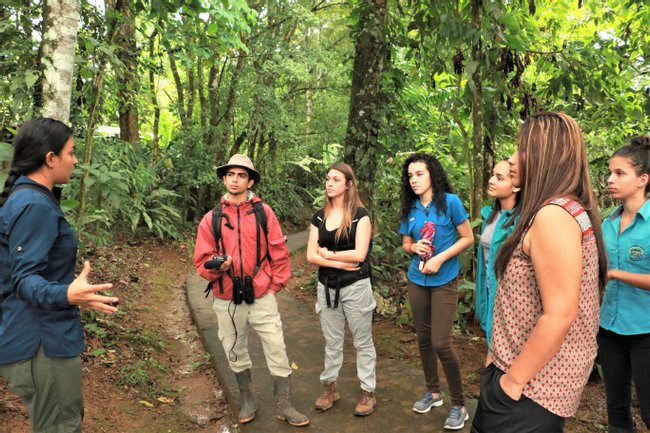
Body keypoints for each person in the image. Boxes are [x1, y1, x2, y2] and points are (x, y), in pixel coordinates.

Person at [471, 112, 607, 433]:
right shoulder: (561, 208)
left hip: (529, 391)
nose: (512, 158)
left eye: (522, 149)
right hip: (520, 380)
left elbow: (560, 313)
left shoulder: (554, 215)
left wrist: (512, 382)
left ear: (548, 157)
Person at [0, 118, 118, 433]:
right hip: (40, 344)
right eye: (71, 152)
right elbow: (23, 281)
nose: (76, 160)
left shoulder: (29, 197)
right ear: (50, 159)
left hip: (40, 339)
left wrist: (74, 295)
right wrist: (67, 294)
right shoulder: (34, 204)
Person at [193, 154, 309, 427]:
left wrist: (274, 286)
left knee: (276, 347)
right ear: (224, 179)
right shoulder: (212, 219)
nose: (235, 180)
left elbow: (279, 252)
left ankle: (284, 404)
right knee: (234, 348)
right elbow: (201, 259)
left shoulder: (263, 212)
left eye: (241, 175)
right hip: (227, 297)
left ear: (250, 180)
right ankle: (247, 399)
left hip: (261, 295)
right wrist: (218, 267)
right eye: (230, 174)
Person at [400, 152, 474, 431]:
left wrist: (440, 258)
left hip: (444, 279)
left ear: (432, 174)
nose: (414, 180)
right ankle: (433, 393)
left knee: (441, 342)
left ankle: (459, 405)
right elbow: (406, 243)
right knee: (423, 339)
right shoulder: (411, 208)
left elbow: (467, 237)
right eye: (410, 176)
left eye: (419, 174)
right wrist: (413, 248)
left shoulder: (451, 203)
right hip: (417, 279)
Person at [306, 163, 377, 416]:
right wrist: (339, 262)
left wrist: (329, 254)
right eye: (327, 179)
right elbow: (311, 256)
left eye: (336, 179)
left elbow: (359, 255)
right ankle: (330, 388)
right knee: (332, 342)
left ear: (348, 184)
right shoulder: (319, 215)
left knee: (362, 341)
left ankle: (367, 392)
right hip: (326, 287)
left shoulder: (361, 215)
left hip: (356, 287)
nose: (329, 183)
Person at [599, 135, 650, 433]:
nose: (610, 179)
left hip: (645, 330)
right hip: (610, 328)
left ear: (642, 179)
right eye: (610, 172)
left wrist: (614, 274)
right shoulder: (607, 223)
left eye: (619, 173)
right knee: (616, 407)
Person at [475, 160, 520, 345]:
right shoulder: (490, 215)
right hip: (488, 290)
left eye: (499, 178)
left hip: (510, 300)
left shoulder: (521, 221)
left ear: (516, 186)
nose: (491, 180)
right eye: (493, 175)